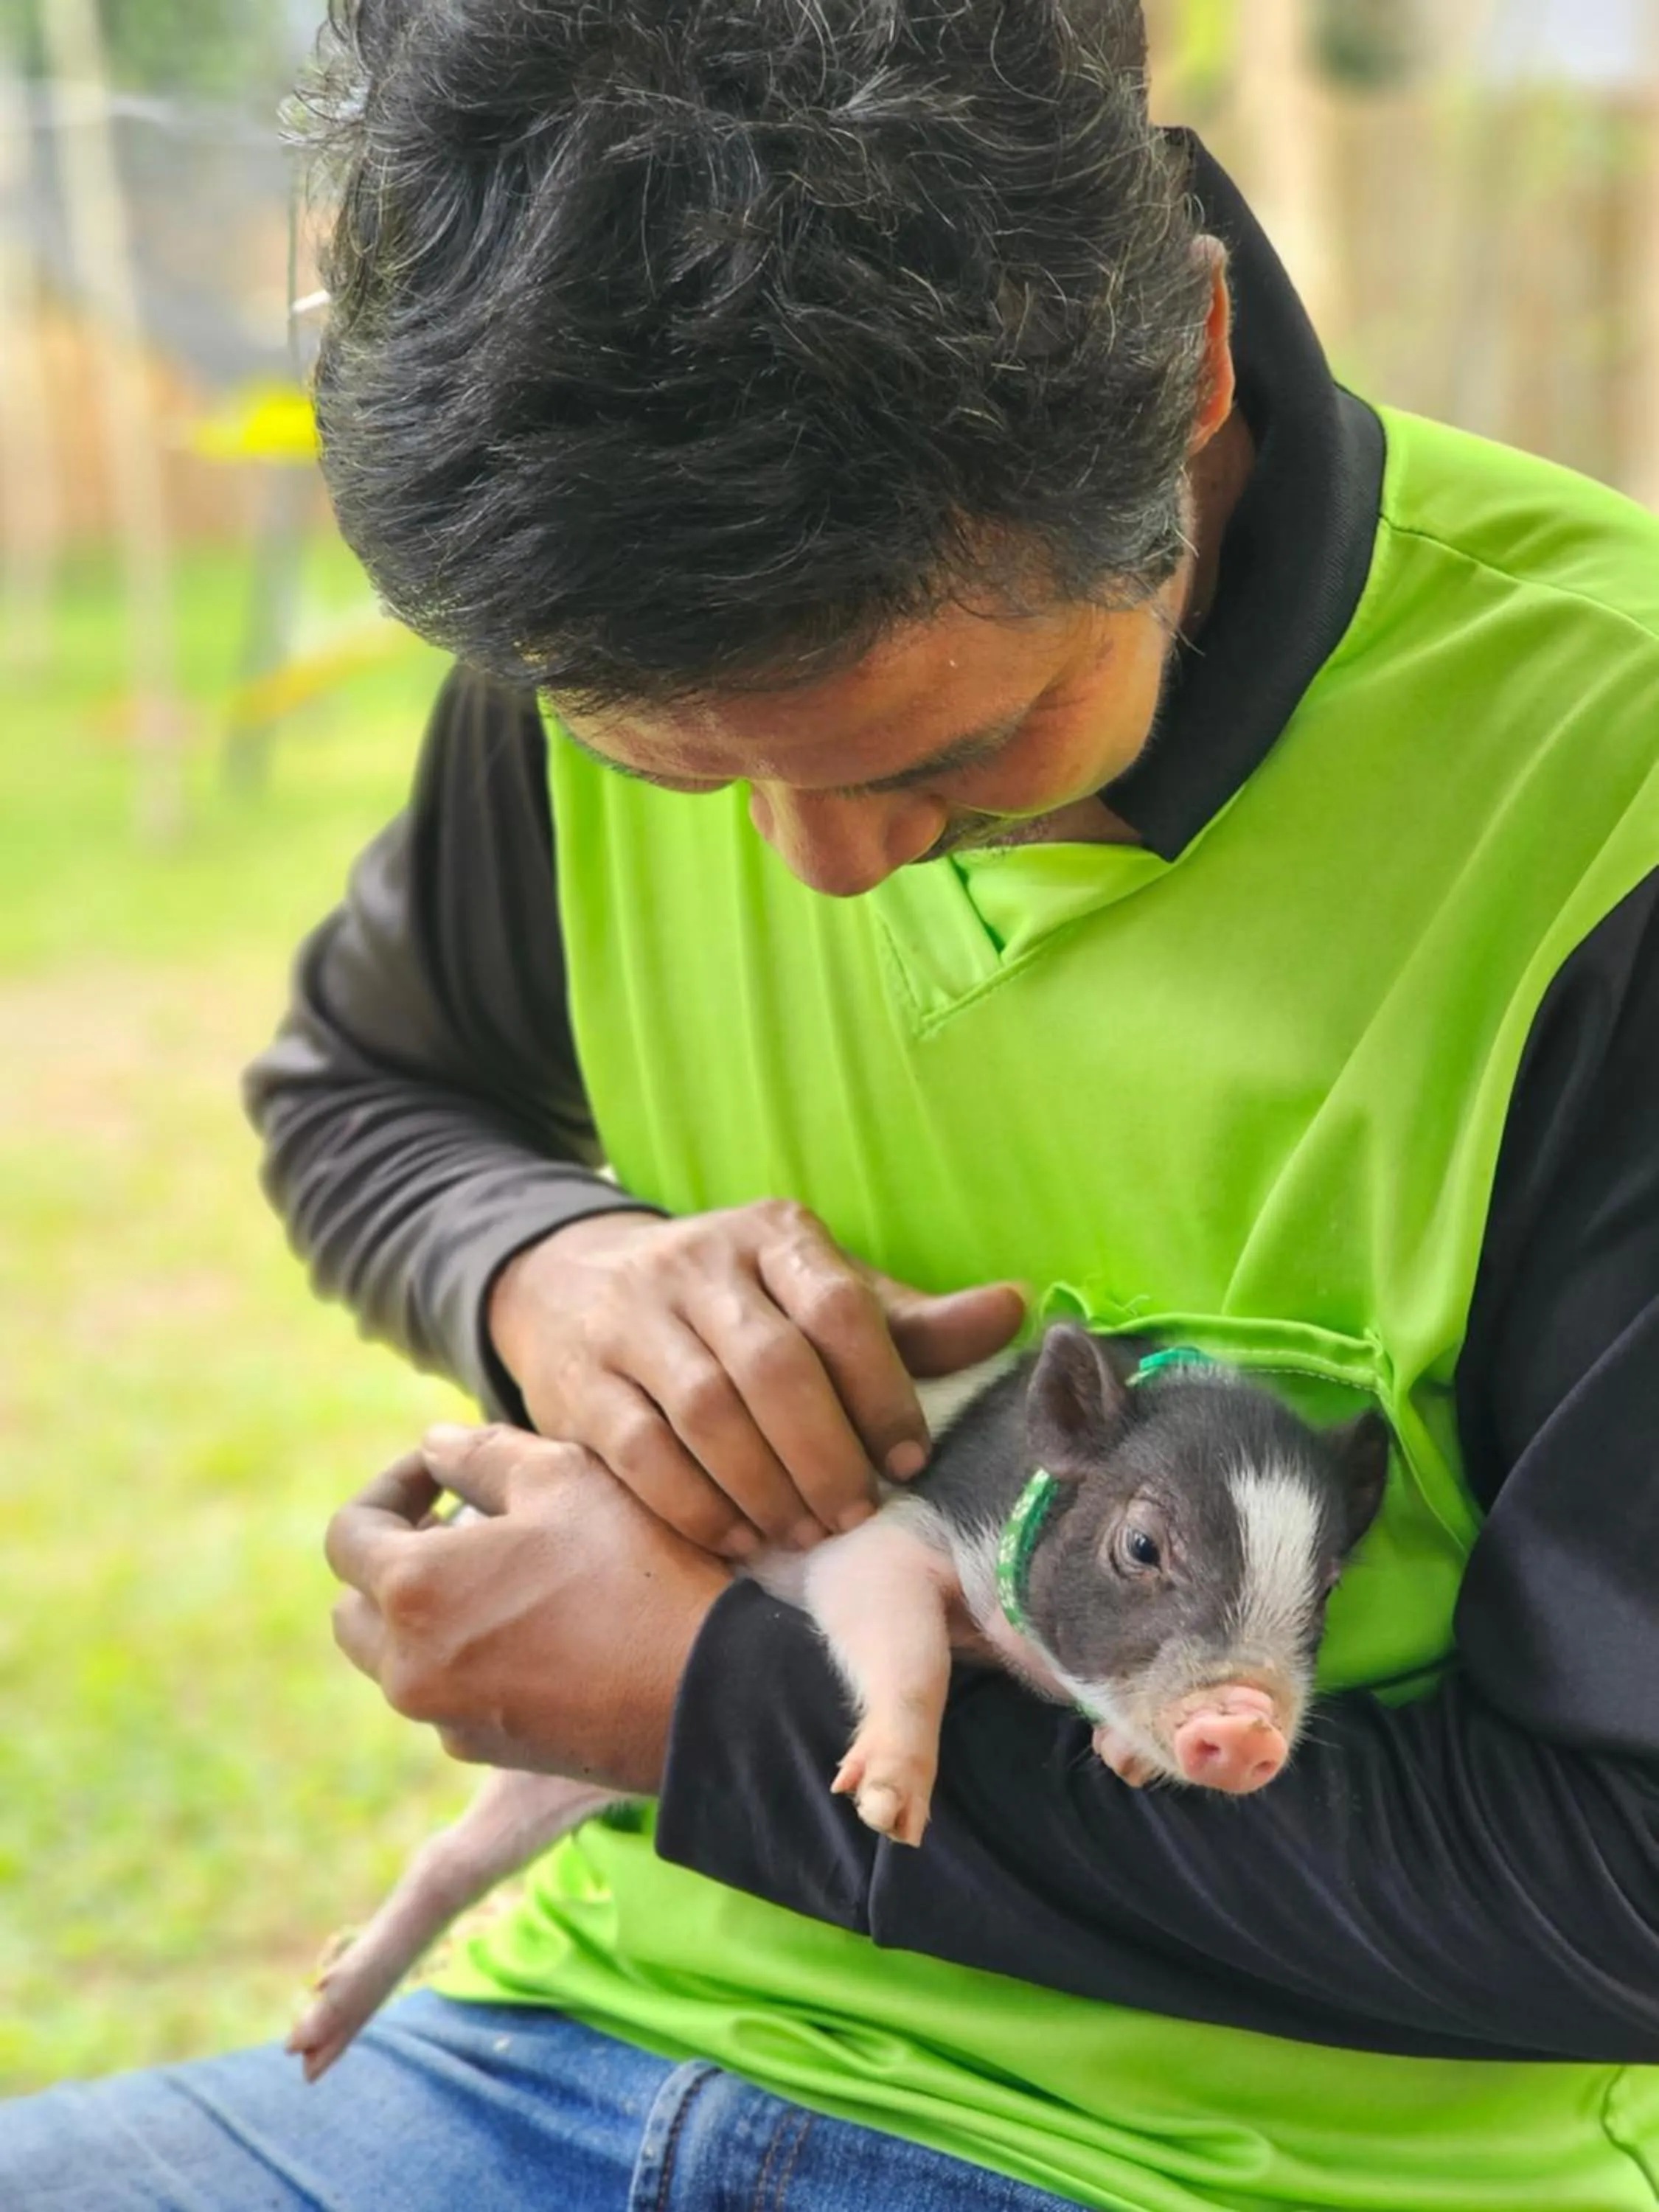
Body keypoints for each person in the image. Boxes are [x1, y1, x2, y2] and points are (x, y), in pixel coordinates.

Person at [5, 2, 1658, 2205]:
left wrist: (715, 1713)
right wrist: (545, 1272)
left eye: (948, 753)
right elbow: (361, 1088)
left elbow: (1622, 1897)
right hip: (564, 2049)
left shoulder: (1606, 813)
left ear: (1190, 374)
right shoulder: (641, 609)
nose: (819, 866)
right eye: (682, 770)